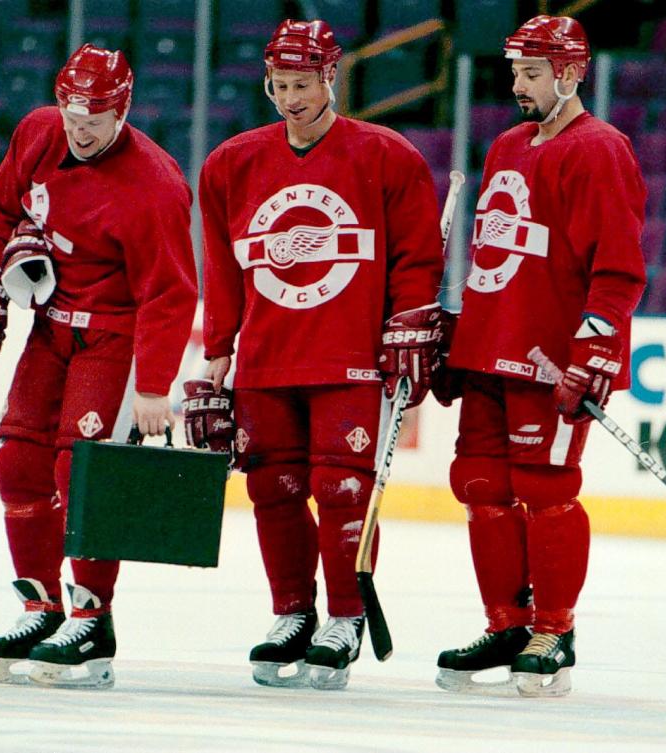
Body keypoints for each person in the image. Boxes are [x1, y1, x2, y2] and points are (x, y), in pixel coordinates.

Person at [183, 19, 445, 691]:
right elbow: (224, 264)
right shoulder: (231, 164)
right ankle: (291, 612)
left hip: (351, 356)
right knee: (273, 486)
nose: (291, 99)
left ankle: (345, 615)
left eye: (303, 84)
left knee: (341, 487)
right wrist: (218, 348)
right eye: (280, 85)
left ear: (332, 78)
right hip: (268, 357)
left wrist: (409, 323)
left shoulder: (387, 156)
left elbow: (417, 256)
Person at [0, 43, 198, 689]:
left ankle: (93, 620)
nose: (79, 127)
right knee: (19, 461)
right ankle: (41, 609)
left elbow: (172, 292)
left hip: (114, 337)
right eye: (71, 110)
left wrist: (153, 384)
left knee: (80, 472)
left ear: (122, 110)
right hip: (51, 324)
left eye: (94, 116)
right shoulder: (39, 132)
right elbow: (4, 206)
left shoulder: (156, 185)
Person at [431, 15, 647, 698]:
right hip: (489, 349)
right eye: (516, 72)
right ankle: (507, 625)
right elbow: (495, 257)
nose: (518, 86)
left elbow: (617, 269)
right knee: (480, 486)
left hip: (550, 357)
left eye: (532, 73)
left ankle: (554, 628)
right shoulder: (506, 145)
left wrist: (594, 349)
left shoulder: (600, 150)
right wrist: (455, 335)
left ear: (571, 72)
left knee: (547, 491)